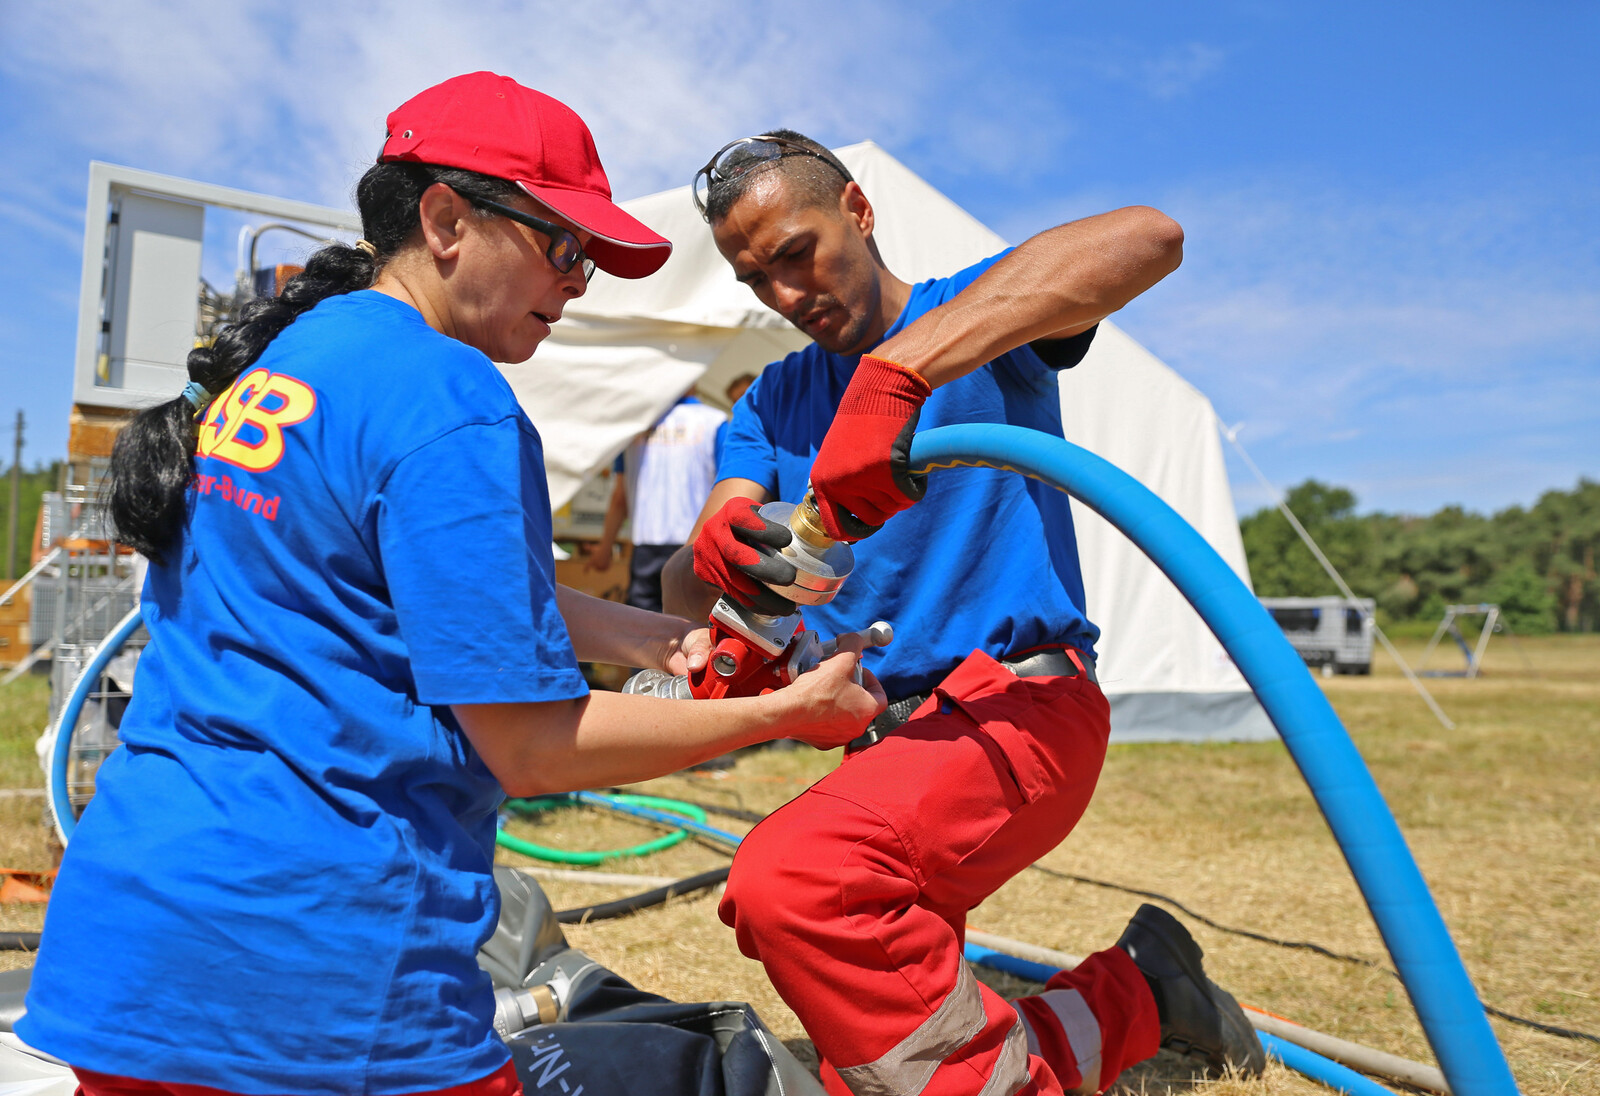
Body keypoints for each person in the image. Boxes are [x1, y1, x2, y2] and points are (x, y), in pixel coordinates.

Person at [19, 84, 882, 1096]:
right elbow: (527, 743)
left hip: (137, 948)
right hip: (322, 974)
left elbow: (408, 582)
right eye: (564, 249)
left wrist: (654, 637)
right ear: (445, 220)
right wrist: (784, 713)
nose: (581, 283)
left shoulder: (291, 359)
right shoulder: (455, 399)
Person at [663, 132, 1266, 1096]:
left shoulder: (975, 320)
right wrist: (722, 547)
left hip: (1018, 713)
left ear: (858, 209)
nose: (782, 296)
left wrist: (898, 376)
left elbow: (1150, 237)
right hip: (888, 743)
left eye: (795, 253)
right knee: (898, 1036)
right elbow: (694, 583)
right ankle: (1150, 993)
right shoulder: (774, 399)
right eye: (754, 280)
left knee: (793, 884)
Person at [584, 389, 726, 613]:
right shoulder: (714, 422)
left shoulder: (634, 425)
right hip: (697, 542)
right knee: (697, 628)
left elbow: (619, 496)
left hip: (647, 544)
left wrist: (605, 548)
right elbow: (730, 487)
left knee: (644, 630)